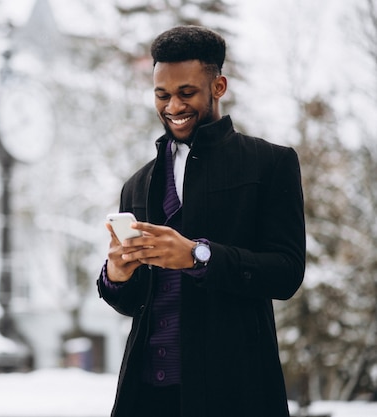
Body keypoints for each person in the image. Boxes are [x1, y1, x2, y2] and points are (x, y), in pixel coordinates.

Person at [97, 25, 305, 417]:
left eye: (186, 93)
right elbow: (133, 303)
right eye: (162, 95)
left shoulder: (272, 164)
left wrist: (198, 256)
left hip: (234, 391)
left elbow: (287, 273)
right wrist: (116, 275)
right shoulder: (136, 185)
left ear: (219, 86)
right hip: (145, 396)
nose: (173, 106)